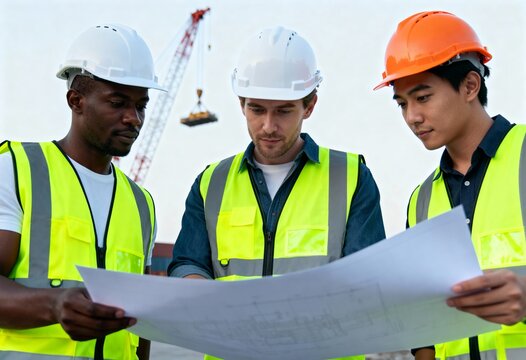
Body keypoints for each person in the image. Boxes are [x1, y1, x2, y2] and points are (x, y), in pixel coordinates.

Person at [168, 26, 385, 360]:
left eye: (283, 110)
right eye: (257, 109)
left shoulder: (352, 177)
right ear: (241, 104)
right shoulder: (211, 183)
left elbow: (368, 282)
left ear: (309, 105)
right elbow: (187, 263)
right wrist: (197, 289)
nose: (268, 125)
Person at [0, 24, 165, 359]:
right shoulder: (17, 171)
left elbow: (141, 326)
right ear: (76, 101)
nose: (133, 118)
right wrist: (54, 305)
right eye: (117, 102)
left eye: (141, 105)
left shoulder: (141, 204)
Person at [374, 10, 526, 360]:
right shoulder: (421, 200)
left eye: (423, 97)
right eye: (402, 103)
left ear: (470, 85)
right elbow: (423, 326)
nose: (412, 116)